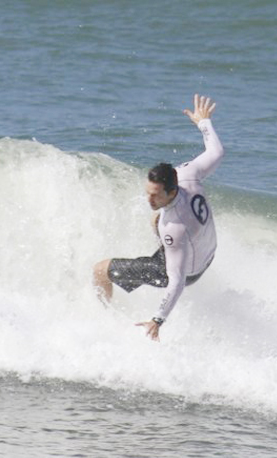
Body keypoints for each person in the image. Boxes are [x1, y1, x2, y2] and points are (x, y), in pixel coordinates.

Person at [93, 94, 224, 341]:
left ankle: (103, 319)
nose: (149, 200)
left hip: (191, 271)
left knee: (100, 270)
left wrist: (158, 319)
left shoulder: (173, 227)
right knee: (156, 221)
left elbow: (176, 282)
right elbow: (217, 151)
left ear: (172, 190)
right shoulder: (189, 172)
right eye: (147, 193)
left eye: (155, 196)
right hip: (209, 251)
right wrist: (203, 122)